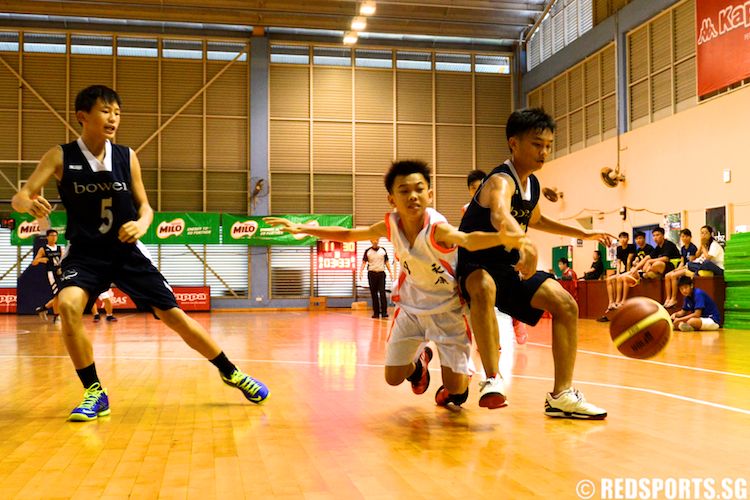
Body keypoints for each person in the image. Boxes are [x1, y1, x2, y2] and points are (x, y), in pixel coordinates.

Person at [11, 85, 268, 422]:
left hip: (127, 251)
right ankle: (94, 392)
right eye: (105, 111)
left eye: (117, 112)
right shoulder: (60, 156)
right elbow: (21, 196)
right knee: (69, 306)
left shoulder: (126, 156)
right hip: (86, 253)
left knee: (174, 317)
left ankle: (231, 372)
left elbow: (145, 207)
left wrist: (142, 224)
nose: (113, 118)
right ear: (82, 116)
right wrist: (27, 203)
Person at [265, 160, 523, 408]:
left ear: (430, 194)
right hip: (411, 309)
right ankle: (419, 366)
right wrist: (301, 228)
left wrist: (506, 237)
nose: (413, 196)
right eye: (405, 190)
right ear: (392, 199)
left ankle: (455, 385)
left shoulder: (437, 229)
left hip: (449, 311)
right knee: (393, 377)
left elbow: (467, 239)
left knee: (456, 388)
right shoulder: (390, 225)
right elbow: (348, 234)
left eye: (419, 189)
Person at [458, 107, 611, 418]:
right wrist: (524, 243)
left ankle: (562, 395)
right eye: (537, 144)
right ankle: (491, 379)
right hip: (475, 264)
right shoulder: (501, 180)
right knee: (484, 287)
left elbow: (538, 219)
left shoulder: (533, 185)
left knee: (566, 304)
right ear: (513, 143)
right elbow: (500, 214)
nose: (544, 152)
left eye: (548, 145)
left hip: (507, 268)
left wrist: (585, 231)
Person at [464, 169, 529, 345]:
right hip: (479, 258)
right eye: (476, 188)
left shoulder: (502, 203)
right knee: (483, 301)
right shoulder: (467, 211)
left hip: (502, 255)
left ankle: (517, 320)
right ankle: (492, 343)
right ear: (471, 190)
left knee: (509, 292)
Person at [31, 228, 63, 322]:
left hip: (60, 273)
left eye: (55, 236)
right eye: (52, 235)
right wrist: (41, 260)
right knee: (57, 294)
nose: (54, 237)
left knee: (61, 295)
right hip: (51, 273)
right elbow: (34, 262)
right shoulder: (43, 249)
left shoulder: (60, 248)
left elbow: (63, 260)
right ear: (47, 237)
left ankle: (43, 308)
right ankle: (56, 316)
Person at [663, 228, 698, 308]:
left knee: (673, 276)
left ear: (690, 237)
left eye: (686, 236)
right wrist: (677, 269)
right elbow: (682, 262)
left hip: (689, 268)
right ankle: (668, 298)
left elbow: (691, 263)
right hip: (683, 268)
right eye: (682, 236)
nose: (684, 238)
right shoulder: (682, 248)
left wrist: (679, 270)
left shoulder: (693, 248)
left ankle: (674, 299)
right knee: (667, 275)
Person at [359, 238, 393, 319]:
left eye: (377, 240)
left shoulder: (383, 250)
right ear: (371, 241)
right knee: (374, 294)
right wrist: (361, 272)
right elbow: (364, 262)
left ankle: (384, 312)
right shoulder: (368, 251)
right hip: (372, 274)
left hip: (381, 273)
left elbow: (386, 262)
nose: (375, 241)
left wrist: (390, 272)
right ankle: (376, 313)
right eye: (373, 240)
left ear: (378, 241)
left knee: (382, 293)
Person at [604, 232, 636, 312]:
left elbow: (628, 261)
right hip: (624, 270)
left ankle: (619, 301)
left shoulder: (632, 246)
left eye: (625, 237)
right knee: (609, 279)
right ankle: (611, 302)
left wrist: (627, 273)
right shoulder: (619, 248)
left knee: (620, 278)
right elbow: (618, 262)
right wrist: (618, 273)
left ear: (628, 239)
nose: (623, 239)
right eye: (621, 238)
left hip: (632, 269)